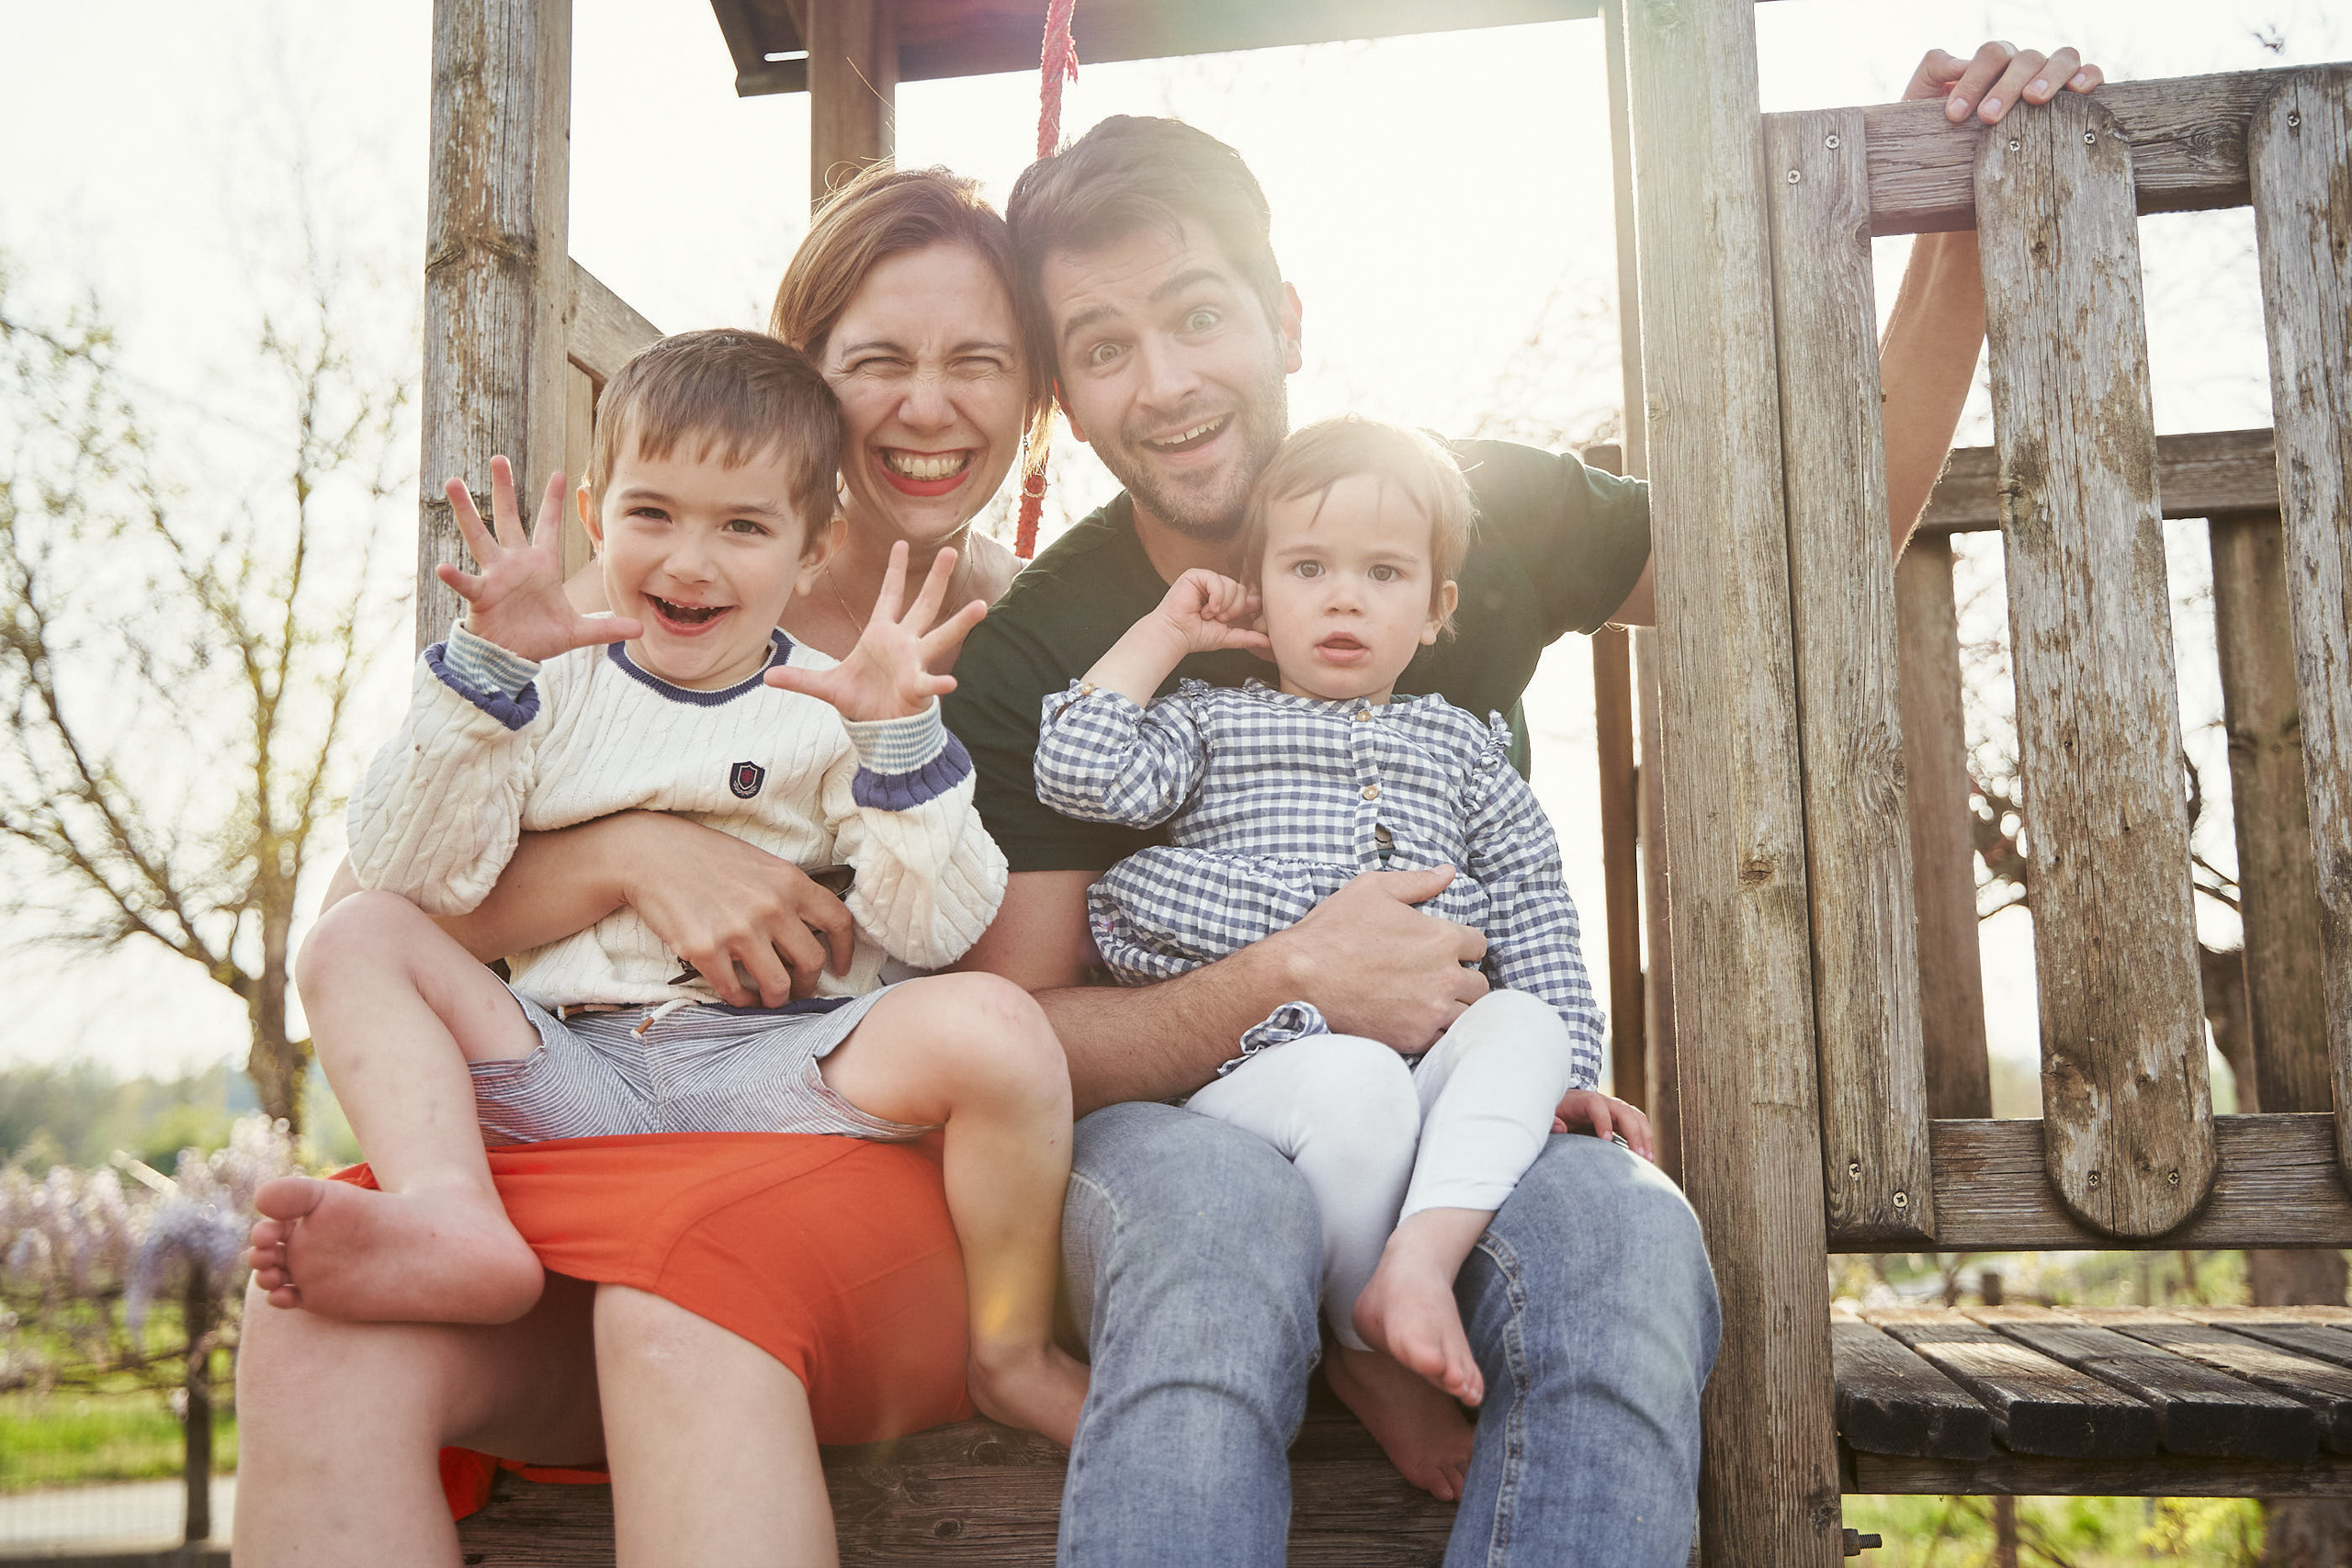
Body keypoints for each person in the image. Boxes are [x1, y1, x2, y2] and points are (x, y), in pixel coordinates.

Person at [939, 42, 2106, 1565]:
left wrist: (1942, 218)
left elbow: (1824, 532)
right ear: (1064, 392)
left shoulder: (1458, 508)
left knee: (1627, 1246)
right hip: (1185, 1129)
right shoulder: (1046, 647)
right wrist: (1291, 973)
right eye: (1100, 346)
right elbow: (1023, 1030)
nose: (1160, 383)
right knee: (1221, 1240)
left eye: (1199, 316)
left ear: (1283, 320)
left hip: (1451, 1103)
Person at [234, 172, 1062, 1568]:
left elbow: (974, 956)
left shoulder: (1017, 634)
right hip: (577, 1077)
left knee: (687, 1288)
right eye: (878, 362)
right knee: (313, 1320)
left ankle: (1001, 1344)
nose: (927, 406)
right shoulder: (576, 651)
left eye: (976, 361)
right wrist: (625, 847)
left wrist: (899, 738)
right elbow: (382, 900)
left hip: (805, 1109)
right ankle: (450, 1217)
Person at [1034, 414, 1654, 1499]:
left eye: (1383, 572)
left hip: (1433, 1052)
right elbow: (1080, 769)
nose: (1343, 597)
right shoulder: (1207, 724)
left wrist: (1573, 1081)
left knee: (1527, 1024)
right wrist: (1168, 632)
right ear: (1257, 591)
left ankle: (1413, 1266)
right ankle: (1369, 1357)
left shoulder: (1459, 747)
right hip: (1269, 1069)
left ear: (1435, 610)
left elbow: (1537, 910)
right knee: (1358, 1080)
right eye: (1306, 568)